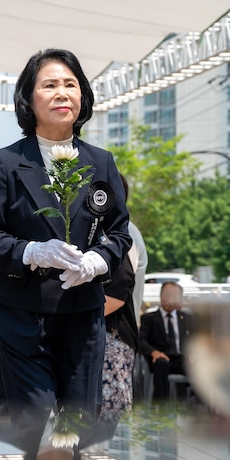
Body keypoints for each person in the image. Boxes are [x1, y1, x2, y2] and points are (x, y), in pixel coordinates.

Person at [0, 48, 131, 420]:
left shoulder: (101, 161)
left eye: (70, 84)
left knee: (78, 423)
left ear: (83, 96)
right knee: (39, 425)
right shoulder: (7, 161)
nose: (62, 93)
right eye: (50, 85)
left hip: (83, 311)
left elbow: (119, 232)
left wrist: (97, 260)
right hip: (21, 311)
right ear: (29, 98)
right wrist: (31, 251)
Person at [100, 174, 140, 423]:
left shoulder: (119, 238)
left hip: (112, 338)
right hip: (90, 337)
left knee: (110, 415)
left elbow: (116, 295)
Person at [138, 281, 193, 401]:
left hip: (182, 358)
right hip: (161, 358)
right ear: (161, 295)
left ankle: (198, 407)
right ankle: (161, 408)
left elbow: (197, 339)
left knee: (197, 365)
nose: (170, 298)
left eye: (174, 295)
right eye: (167, 294)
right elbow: (141, 341)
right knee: (161, 364)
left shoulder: (186, 318)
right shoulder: (149, 318)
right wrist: (154, 352)